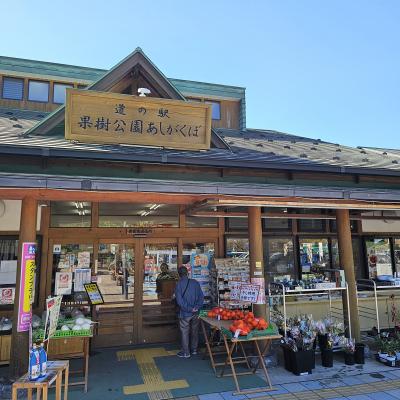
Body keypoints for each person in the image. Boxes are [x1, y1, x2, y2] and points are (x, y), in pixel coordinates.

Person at [174, 266, 204, 358]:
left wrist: (189, 308)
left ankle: (186, 352)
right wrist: (196, 307)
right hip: (195, 312)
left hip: (185, 313)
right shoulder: (195, 283)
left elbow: (179, 301)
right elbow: (201, 297)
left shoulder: (178, 284)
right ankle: (194, 349)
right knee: (195, 330)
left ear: (179, 274)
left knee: (184, 331)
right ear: (187, 273)